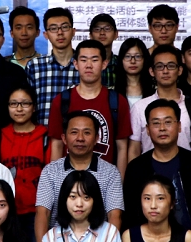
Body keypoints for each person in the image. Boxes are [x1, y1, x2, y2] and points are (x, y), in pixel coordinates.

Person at [123, 100, 191, 236]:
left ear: (179, 126)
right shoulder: (136, 168)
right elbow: (131, 216)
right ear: (147, 129)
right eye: (156, 123)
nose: (162, 128)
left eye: (168, 122)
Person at [34, 112, 125, 242]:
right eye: (74, 132)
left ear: (96, 138)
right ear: (64, 138)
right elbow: (43, 213)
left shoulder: (111, 172)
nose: (80, 138)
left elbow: (114, 215)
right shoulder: (50, 171)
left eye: (87, 133)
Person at [46, 39, 130, 173]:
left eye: (95, 60)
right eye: (83, 60)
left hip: (106, 180)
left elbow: (122, 148)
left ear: (104, 64)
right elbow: (56, 146)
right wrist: (56, 181)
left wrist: (119, 183)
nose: (89, 65)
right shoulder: (61, 101)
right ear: (76, 64)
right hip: (69, 180)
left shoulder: (118, 101)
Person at [128, 45, 191, 159]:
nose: (165, 71)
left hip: (187, 168)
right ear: (152, 71)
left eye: (171, 66)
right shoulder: (139, 107)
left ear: (180, 70)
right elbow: (134, 149)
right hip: (149, 169)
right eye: (160, 66)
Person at [1, 86, 49, 242]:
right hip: (7, 213)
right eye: (13, 104)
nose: (19, 109)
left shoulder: (45, 136)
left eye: (25, 103)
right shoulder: (0, 135)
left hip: (37, 213)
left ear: (34, 107)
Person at [26, 7, 79, 128]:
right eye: (53, 28)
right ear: (46, 35)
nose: (60, 32)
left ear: (73, 31)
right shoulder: (34, 66)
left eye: (64, 27)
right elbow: (27, 106)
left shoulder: (84, 65)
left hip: (76, 136)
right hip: (43, 136)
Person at [114, 37, 153, 108]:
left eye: (137, 56)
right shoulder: (112, 90)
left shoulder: (154, 88)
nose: (133, 61)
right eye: (127, 56)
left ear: (144, 59)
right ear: (121, 59)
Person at [87, 13, 119, 89]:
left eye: (107, 29)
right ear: (90, 35)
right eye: (97, 29)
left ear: (116, 34)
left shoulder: (122, 64)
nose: (102, 33)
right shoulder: (84, 65)